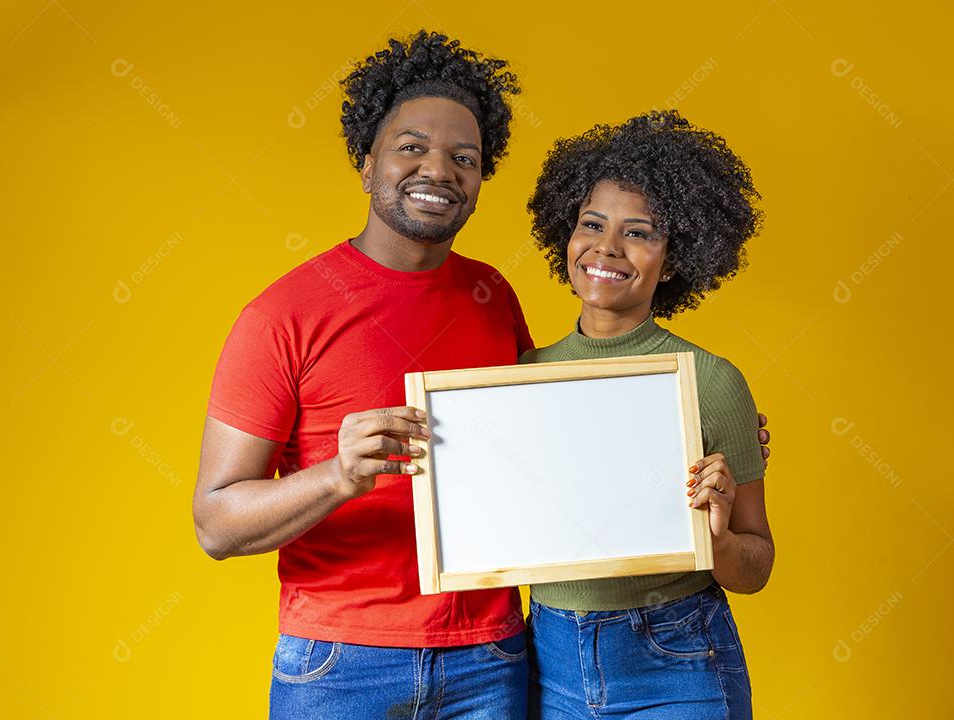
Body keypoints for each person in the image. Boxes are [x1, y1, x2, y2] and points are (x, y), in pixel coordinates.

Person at [194, 31, 534, 719]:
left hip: (490, 657)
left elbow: (542, 449)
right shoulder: (281, 315)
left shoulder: (493, 295)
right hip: (340, 665)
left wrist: (684, 430)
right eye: (412, 147)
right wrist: (338, 476)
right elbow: (216, 524)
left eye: (463, 158)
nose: (438, 170)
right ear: (367, 163)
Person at [521, 110, 775, 719]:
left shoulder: (711, 380)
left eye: (638, 233)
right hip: (548, 656)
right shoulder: (525, 374)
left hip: (677, 656)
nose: (607, 247)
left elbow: (756, 566)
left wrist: (716, 538)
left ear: (675, 257)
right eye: (591, 224)